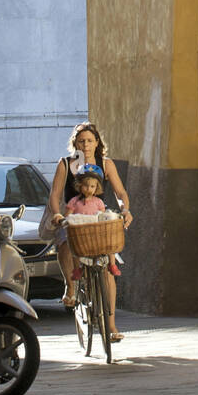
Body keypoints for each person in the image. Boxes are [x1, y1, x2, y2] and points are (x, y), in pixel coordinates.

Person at [48, 121, 132, 340]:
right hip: (74, 219)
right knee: (66, 241)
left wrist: (125, 210)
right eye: (81, 141)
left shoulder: (106, 164)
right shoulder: (66, 165)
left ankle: (111, 325)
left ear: (97, 143)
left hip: (97, 222)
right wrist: (57, 214)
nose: (85, 145)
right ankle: (71, 286)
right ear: (75, 143)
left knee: (107, 271)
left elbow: (120, 193)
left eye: (90, 141)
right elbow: (55, 196)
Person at [53, 164, 121, 280]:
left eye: (92, 186)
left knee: (109, 244)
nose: (88, 189)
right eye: (85, 186)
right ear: (80, 186)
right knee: (75, 249)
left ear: (96, 188)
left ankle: (112, 264)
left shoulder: (98, 202)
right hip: (81, 233)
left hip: (96, 233)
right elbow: (67, 215)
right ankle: (76, 269)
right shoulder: (74, 201)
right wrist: (61, 219)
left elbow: (103, 217)